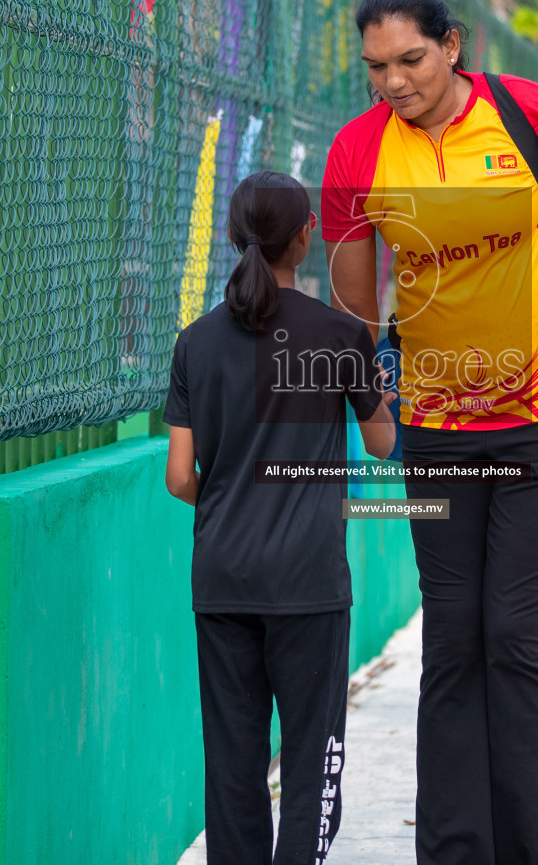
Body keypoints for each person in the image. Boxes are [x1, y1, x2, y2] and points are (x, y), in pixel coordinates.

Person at [322, 0, 538, 865]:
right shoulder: (358, 153)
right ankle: (456, 851)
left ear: (454, 45)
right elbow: (355, 305)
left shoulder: (527, 113)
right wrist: (379, 402)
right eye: (376, 68)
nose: (393, 81)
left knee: (517, 634)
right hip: (437, 426)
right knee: (454, 638)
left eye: (411, 60)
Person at [164, 172, 398, 864]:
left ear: (233, 239)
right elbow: (382, 443)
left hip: (224, 579)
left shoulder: (195, 343)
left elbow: (180, 476)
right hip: (308, 585)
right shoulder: (338, 335)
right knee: (310, 757)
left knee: (232, 763)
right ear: (307, 237)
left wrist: (238, 501)